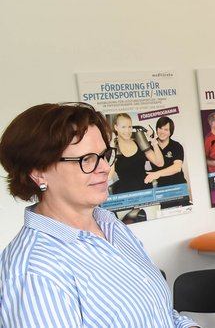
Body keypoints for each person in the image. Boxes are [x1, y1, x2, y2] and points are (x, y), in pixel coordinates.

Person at [0, 102, 198, 327]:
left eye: (104, 155)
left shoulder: (110, 225)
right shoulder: (35, 272)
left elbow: (158, 313)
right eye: (87, 159)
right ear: (38, 172)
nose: (104, 167)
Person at [108, 113, 163, 194]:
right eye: (123, 127)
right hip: (126, 194)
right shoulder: (113, 150)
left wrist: (154, 142)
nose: (127, 131)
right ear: (116, 127)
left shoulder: (140, 142)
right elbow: (109, 176)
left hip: (145, 189)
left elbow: (159, 163)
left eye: (129, 127)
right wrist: (112, 148)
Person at [145, 116, 187, 187]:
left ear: (170, 132)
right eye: (160, 128)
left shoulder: (176, 146)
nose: (162, 132)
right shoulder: (149, 145)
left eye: (166, 129)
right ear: (156, 129)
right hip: (161, 187)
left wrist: (157, 174)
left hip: (178, 185)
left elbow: (177, 168)